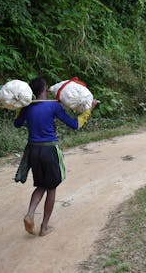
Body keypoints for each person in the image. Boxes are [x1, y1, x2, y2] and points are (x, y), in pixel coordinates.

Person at [13, 77, 98, 236]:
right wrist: (88, 110)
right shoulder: (53, 106)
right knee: (51, 187)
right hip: (49, 150)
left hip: (33, 151)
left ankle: (30, 213)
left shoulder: (27, 107)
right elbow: (74, 125)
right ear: (45, 89)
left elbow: (17, 124)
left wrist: (20, 108)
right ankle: (44, 227)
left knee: (41, 185)